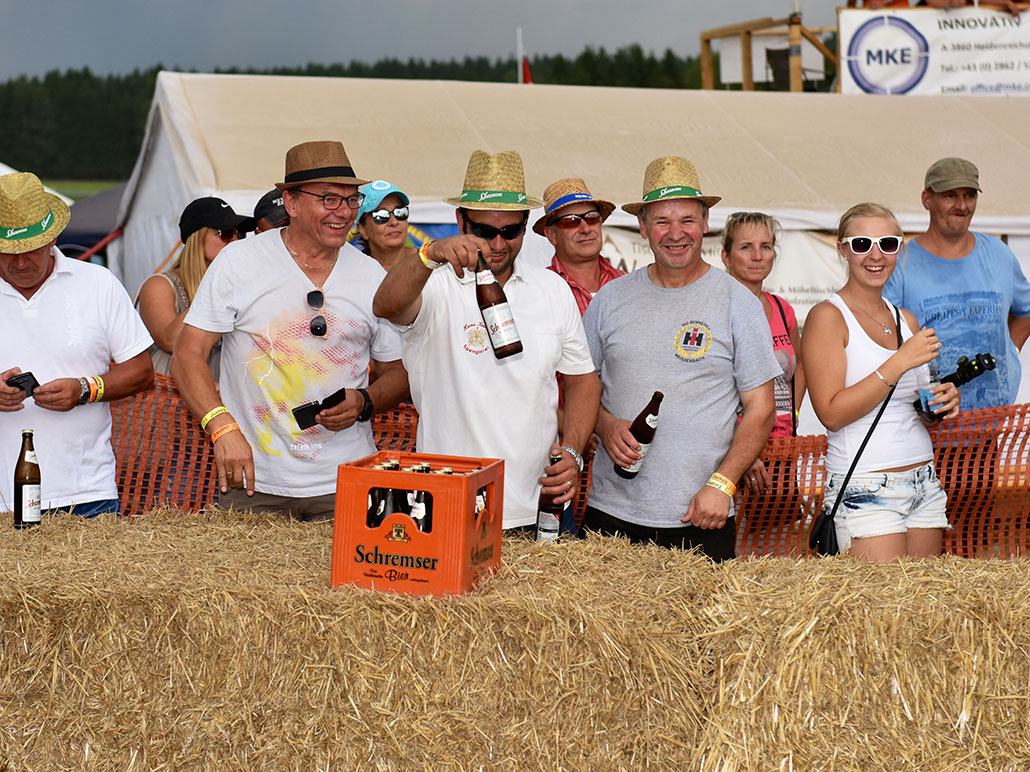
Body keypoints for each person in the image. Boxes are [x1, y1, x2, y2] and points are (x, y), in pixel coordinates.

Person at [171, 141, 409, 521]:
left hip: (346, 481)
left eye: (351, 200)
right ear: (291, 203)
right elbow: (187, 355)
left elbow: (398, 371)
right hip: (253, 483)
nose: (343, 212)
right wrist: (221, 428)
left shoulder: (372, 276)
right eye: (329, 199)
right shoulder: (239, 262)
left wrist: (365, 401)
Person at [373, 150, 601, 530]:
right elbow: (385, 305)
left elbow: (583, 380)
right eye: (483, 231)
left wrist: (573, 452)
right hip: (447, 506)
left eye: (510, 231)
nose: (497, 243)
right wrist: (428, 254)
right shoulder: (436, 283)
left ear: (525, 226)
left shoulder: (552, 289)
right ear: (460, 221)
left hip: (537, 508)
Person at [581, 157, 781, 561]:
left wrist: (723, 484)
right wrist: (604, 424)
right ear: (642, 228)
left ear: (705, 223)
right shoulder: (609, 300)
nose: (676, 234)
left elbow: (761, 409)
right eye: (662, 221)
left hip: (702, 515)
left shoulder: (738, 302)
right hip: (610, 515)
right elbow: (579, 388)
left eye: (687, 220)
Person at [802, 202, 961, 562]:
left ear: (899, 249)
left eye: (887, 244)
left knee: (926, 597)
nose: (876, 255)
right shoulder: (827, 316)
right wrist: (899, 361)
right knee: (882, 599)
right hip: (864, 483)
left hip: (923, 479)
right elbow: (831, 414)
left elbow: (918, 411)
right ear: (843, 249)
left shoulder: (906, 319)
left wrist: (941, 402)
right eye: (862, 244)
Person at [0, 172, 154, 517]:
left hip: (86, 493)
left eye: (31, 249)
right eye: (8, 252)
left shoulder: (98, 283)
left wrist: (84, 389)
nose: (20, 262)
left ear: (51, 238)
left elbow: (142, 372)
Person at [884, 157, 1030, 409]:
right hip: (929, 423)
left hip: (995, 419)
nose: (962, 205)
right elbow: (882, 339)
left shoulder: (999, 254)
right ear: (927, 200)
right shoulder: (900, 263)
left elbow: (1025, 311)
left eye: (970, 195)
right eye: (950, 195)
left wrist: (1010, 352)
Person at [720, 211, 807, 493]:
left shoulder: (782, 309)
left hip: (782, 447)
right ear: (726, 256)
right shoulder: (717, 310)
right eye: (746, 247)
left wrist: (792, 410)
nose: (757, 256)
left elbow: (800, 364)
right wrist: (741, 449)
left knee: (782, 523)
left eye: (765, 246)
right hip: (731, 450)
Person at [136, 197, 249, 379]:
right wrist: (216, 284)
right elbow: (171, 342)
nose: (235, 240)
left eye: (240, 234)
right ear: (197, 238)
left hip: (221, 391)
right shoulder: (160, 285)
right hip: (170, 393)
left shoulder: (239, 286)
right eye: (226, 233)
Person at [534, 177, 624, 315]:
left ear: (600, 223)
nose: (585, 229)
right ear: (551, 235)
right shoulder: (537, 291)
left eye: (591, 218)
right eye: (571, 221)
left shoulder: (629, 284)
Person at [355, 180, 415, 272]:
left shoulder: (430, 264)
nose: (394, 222)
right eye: (381, 216)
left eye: (400, 212)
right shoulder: (354, 273)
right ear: (363, 230)